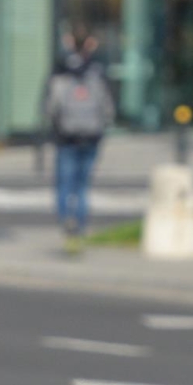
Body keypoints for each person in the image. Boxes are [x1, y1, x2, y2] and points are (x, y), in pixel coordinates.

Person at [41, 39, 114, 246]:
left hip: (67, 138)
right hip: (91, 137)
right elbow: (108, 109)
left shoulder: (61, 76)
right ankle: (80, 226)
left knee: (64, 183)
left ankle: (66, 221)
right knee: (82, 185)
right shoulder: (96, 75)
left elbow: (51, 108)